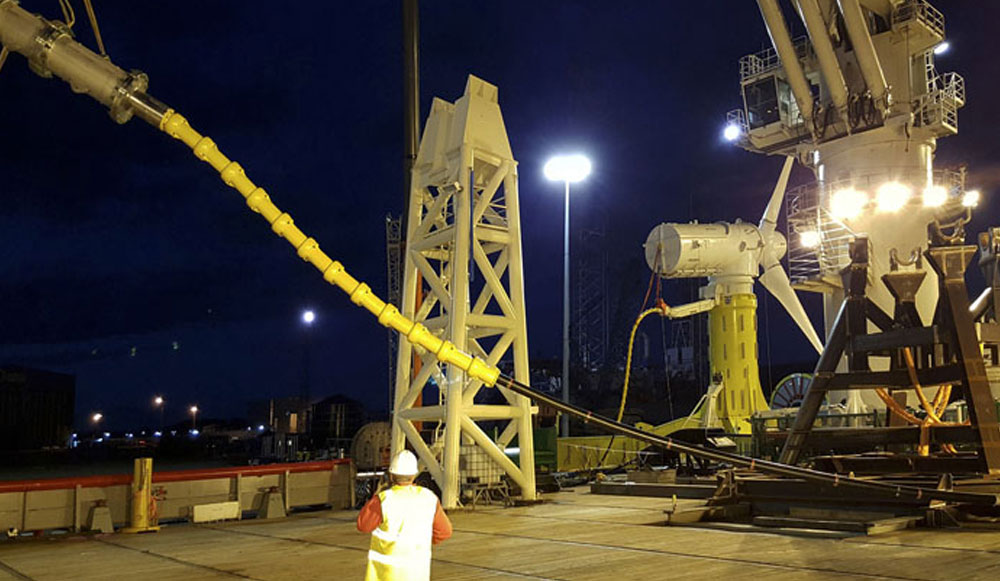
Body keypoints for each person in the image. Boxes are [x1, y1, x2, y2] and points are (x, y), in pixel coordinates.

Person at [357, 450, 452, 581]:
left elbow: (363, 525)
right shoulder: (429, 498)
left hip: (386, 575)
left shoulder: (383, 500)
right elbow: (445, 532)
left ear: (391, 476)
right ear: (413, 475)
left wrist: (377, 493)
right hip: (418, 574)